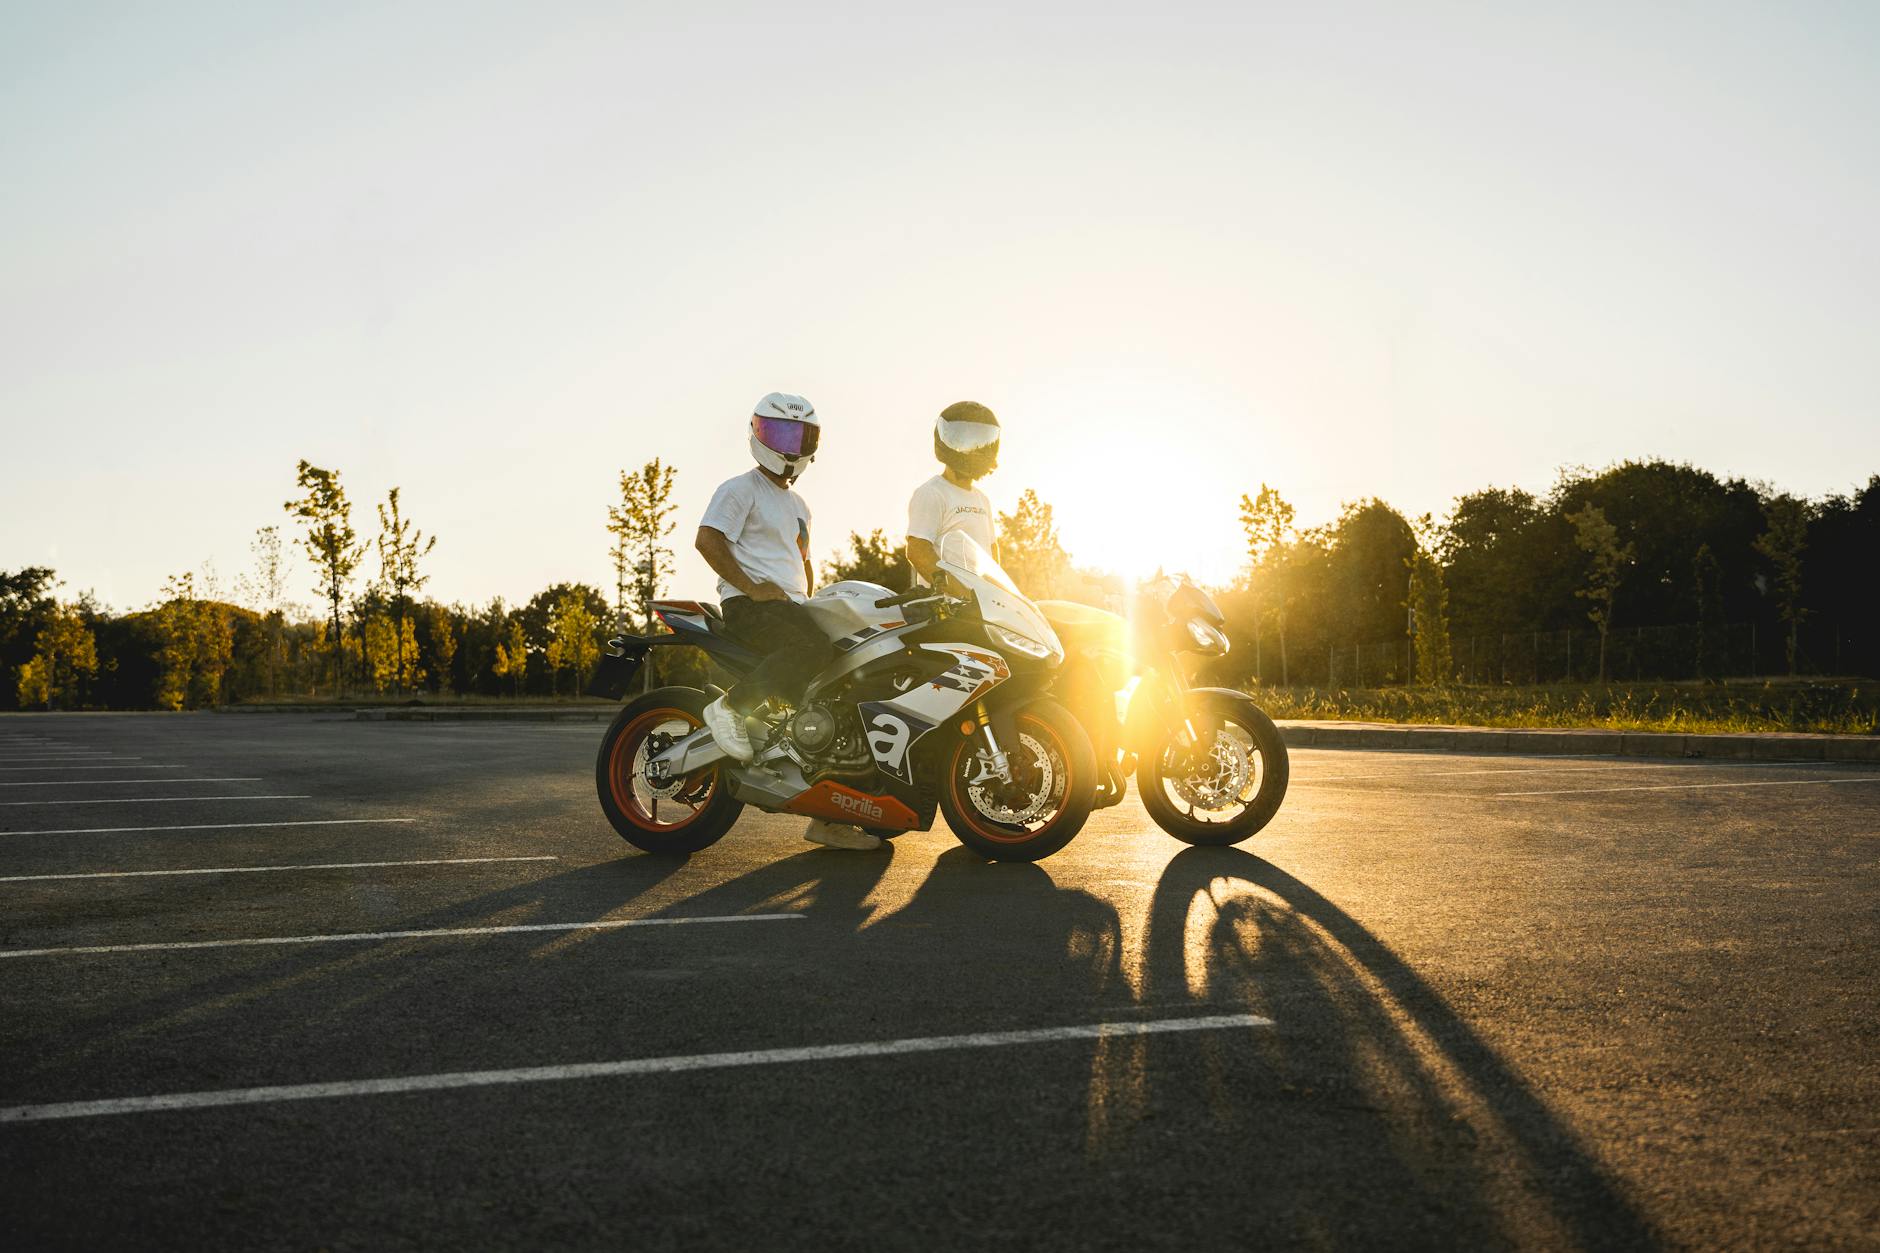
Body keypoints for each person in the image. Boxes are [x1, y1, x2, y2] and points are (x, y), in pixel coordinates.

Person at [695, 393, 880, 851]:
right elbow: (707, 540)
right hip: (749, 607)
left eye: (802, 436)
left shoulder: (801, 506)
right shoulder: (739, 489)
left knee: (845, 686)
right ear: (758, 433)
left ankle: (824, 819)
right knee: (811, 652)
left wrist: (814, 601)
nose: (791, 446)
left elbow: (802, 561)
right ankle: (729, 708)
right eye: (781, 433)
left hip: (792, 609)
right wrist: (753, 587)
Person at [907, 400, 1001, 586]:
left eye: (982, 440)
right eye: (964, 439)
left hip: (982, 607)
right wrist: (959, 592)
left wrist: (1000, 593)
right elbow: (918, 551)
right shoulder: (932, 493)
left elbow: (991, 553)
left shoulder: (982, 499)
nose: (974, 450)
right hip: (946, 608)